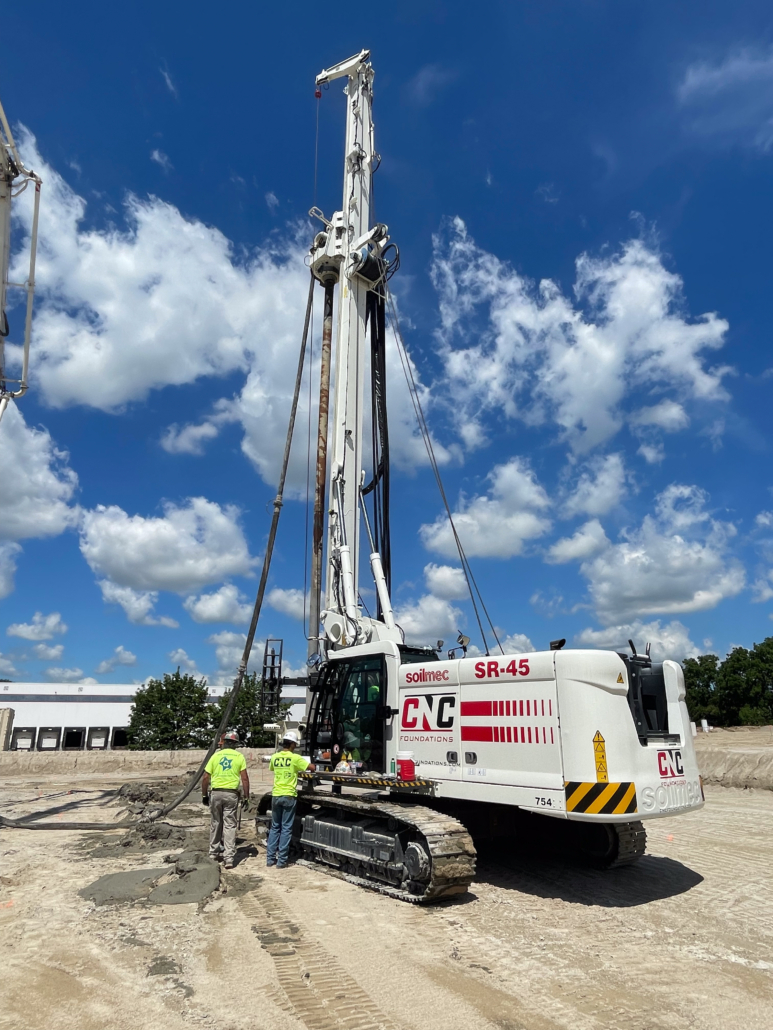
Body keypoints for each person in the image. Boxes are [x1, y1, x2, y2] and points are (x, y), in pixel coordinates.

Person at [267, 730, 315, 869]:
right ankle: (282, 861)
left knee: (275, 827)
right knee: (286, 828)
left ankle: (270, 859)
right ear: (293, 744)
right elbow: (311, 767)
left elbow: (272, 768)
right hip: (289, 795)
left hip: (276, 795)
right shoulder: (295, 758)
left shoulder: (275, 757)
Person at [202, 730, 249, 869]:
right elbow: (245, 778)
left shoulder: (215, 756)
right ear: (235, 744)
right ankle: (229, 858)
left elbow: (205, 777)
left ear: (224, 742)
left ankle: (213, 853)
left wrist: (204, 795)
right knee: (229, 825)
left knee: (216, 822)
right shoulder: (239, 757)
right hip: (231, 794)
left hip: (216, 793)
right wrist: (246, 796)